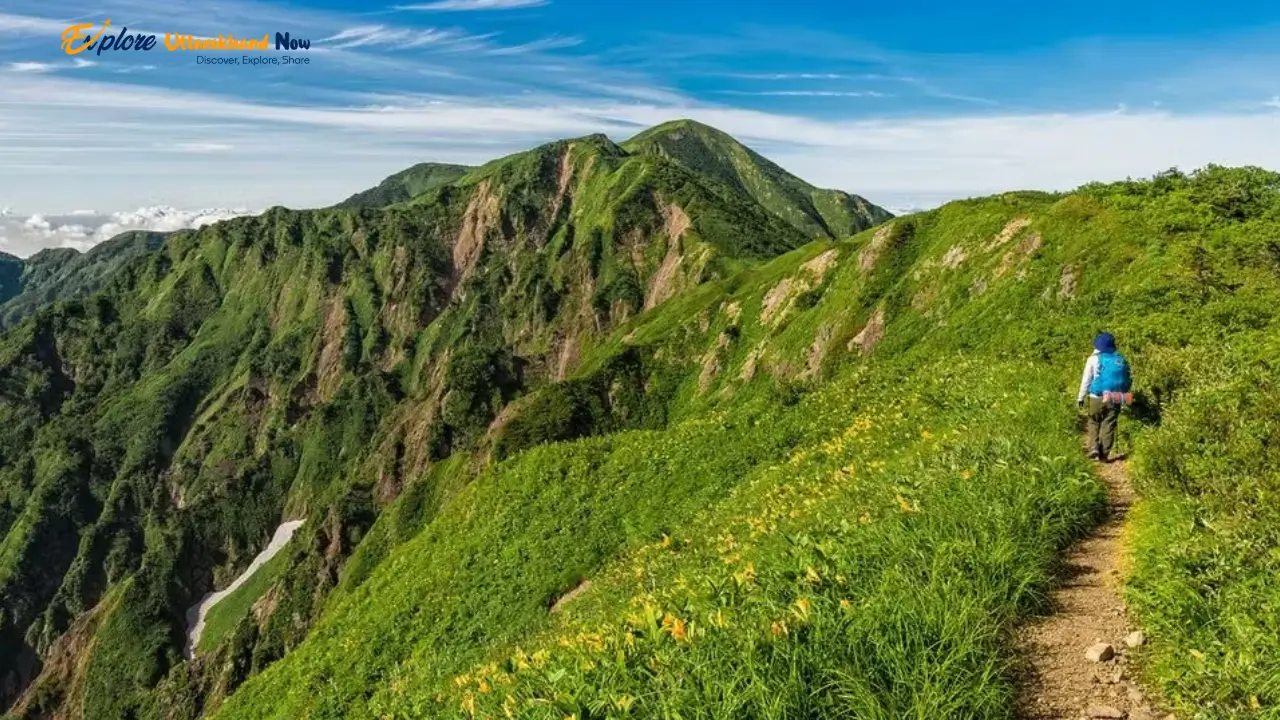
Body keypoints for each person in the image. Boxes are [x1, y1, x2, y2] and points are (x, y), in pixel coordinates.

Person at [1076, 332, 1132, 461]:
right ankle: (1104, 455)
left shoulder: (1093, 359)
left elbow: (1086, 380)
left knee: (1094, 421)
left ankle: (1094, 448)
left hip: (1097, 396)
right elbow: (1128, 378)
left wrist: (1080, 398)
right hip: (1116, 396)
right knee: (1109, 423)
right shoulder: (1120, 359)